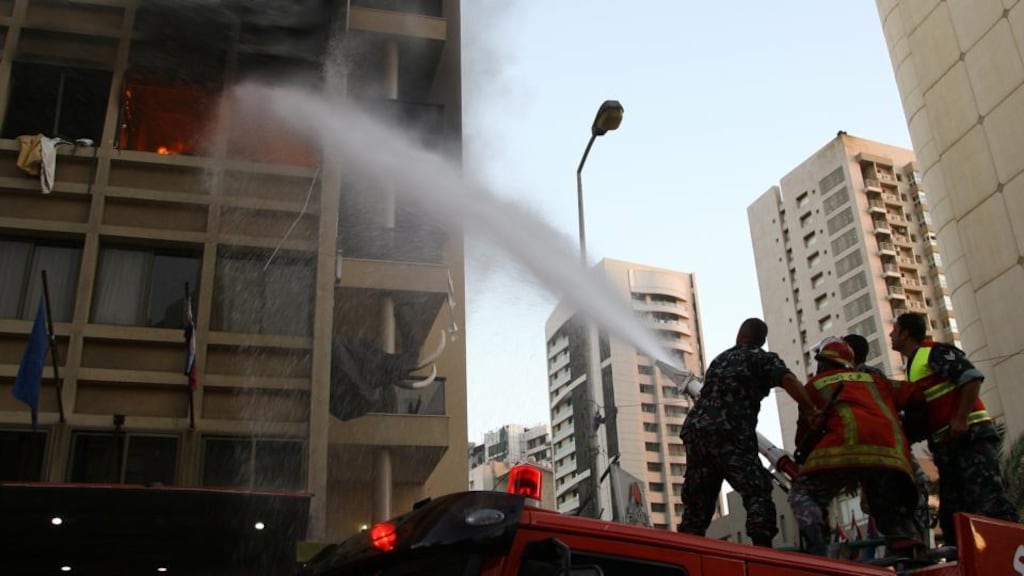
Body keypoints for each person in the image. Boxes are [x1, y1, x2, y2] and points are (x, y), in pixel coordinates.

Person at [678, 318, 819, 547]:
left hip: (697, 433)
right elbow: (787, 379)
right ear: (761, 340)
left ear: (740, 335)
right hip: (731, 434)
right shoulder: (761, 358)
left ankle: (685, 554)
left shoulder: (720, 359)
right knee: (757, 492)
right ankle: (762, 553)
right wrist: (811, 410)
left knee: (697, 503)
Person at [890, 312, 1019, 542]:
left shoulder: (934, 352)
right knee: (954, 514)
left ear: (905, 333)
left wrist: (961, 419)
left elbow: (970, 377)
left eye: (895, 329)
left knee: (989, 502)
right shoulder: (912, 366)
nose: (891, 334)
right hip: (947, 448)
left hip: (971, 439)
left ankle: (1009, 552)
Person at [789, 339, 922, 557]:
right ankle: (907, 542)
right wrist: (911, 433)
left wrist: (807, 457)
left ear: (822, 363)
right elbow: (917, 395)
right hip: (890, 456)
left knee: (803, 493)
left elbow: (804, 435)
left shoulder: (815, 385)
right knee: (884, 498)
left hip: (840, 451)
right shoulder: (877, 381)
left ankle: (817, 544)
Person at [843, 333, 931, 545]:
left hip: (881, 463)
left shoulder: (850, 383)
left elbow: (856, 428)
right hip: (900, 458)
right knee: (912, 523)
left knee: (896, 527)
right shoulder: (877, 378)